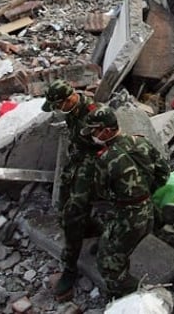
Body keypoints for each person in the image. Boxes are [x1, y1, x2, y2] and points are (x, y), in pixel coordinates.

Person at [60, 106, 169, 301]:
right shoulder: (140, 142)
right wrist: (144, 191)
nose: (92, 135)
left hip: (129, 217)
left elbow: (103, 193)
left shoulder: (106, 159)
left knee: (108, 265)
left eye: (94, 131)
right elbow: (164, 173)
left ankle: (140, 295)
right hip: (148, 209)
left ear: (107, 130)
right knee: (113, 242)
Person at [43, 81, 100, 302]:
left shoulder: (94, 114)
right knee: (63, 203)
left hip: (92, 167)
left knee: (72, 216)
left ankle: (70, 268)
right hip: (77, 162)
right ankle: (95, 228)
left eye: (58, 106)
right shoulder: (73, 111)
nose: (57, 111)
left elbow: (106, 147)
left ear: (68, 100)